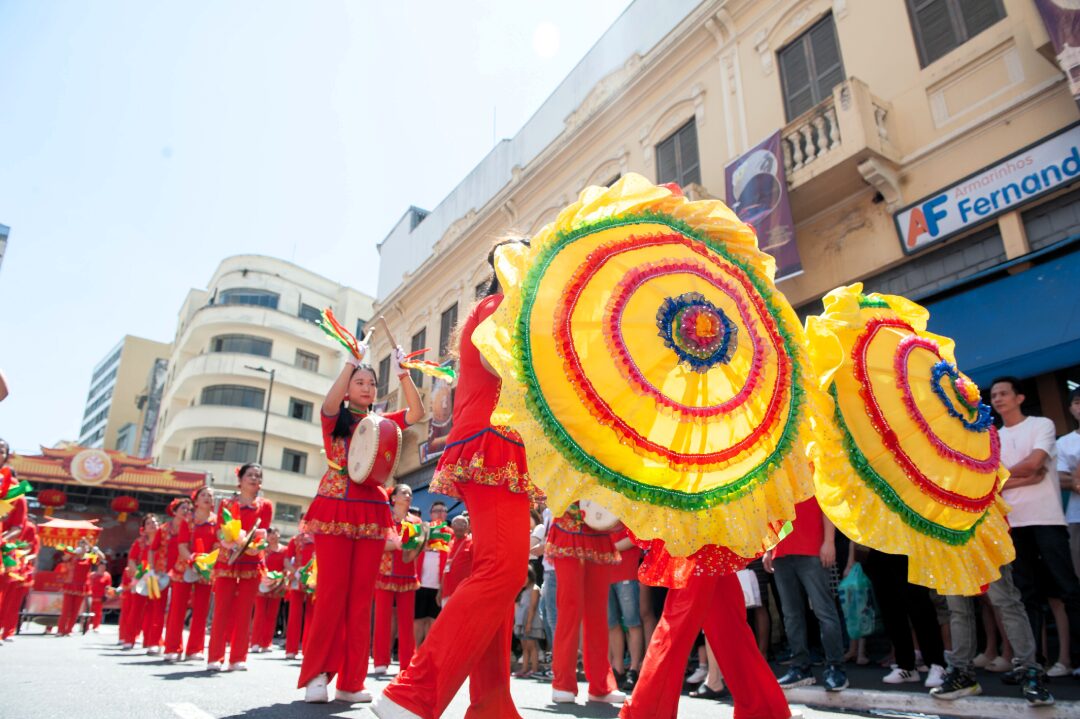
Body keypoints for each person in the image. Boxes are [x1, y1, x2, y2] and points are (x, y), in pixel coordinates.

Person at [375, 239, 542, 719]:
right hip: (492, 443)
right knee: (504, 571)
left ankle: (491, 706)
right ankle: (413, 693)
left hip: (497, 444)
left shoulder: (500, 309)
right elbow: (499, 362)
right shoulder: (499, 308)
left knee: (496, 572)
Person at [297, 346, 424, 705]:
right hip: (335, 507)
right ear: (348, 386)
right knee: (331, 595)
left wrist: (403, 373)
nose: (366, 388)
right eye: (359, 382)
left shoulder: (383, 423)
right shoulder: (334, 419)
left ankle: (351, 682)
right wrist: (350, 363)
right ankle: (317, 675)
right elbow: (328, 402)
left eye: (371, 383)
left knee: (360, 599)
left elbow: (416, 412)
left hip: (370, 509)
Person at [620, 541, 793, 719]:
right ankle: (646, 713)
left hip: (710, 539)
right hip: (700, 538)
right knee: (678, 626)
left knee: (729, 626)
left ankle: (762, 708)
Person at [993, 377, 1080, 670]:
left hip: (1048, 519)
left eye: (1004, 393)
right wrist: (1023, 477)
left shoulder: (1042, 425)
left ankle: (1073, 660)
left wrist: (1009, 477)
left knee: (1067, 589)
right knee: (1025, 593)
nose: (998, 399)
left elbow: (1034, 464)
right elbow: (992, 482)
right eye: (994, 395)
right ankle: (1033, 663)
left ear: (1019, 397)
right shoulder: (993, 437)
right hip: (1013, 524)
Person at [765, 497, 848, 692]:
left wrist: (829, 541)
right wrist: (768, 548)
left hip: (812, 547)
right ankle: (800, 667)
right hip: (782, 551)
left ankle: (836, 667)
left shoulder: (812, 466)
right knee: (791, 615)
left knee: (824, 612)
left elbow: (827, 504)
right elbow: (769, 510)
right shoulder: (774, 470)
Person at [206, 463, 273, 672]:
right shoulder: (226, 503)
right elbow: (219, 531)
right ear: (241, 479)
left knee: (245, 611)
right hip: (229, 559)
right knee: (222, 609)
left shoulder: (266, 505)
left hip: (252, 560)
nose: (254, 478)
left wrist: (254, 545)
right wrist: (234, 542)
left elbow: (263, 532)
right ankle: (215, 657)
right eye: (250, 475)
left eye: (258, 476)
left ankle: (237, 657)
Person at [862, 548, 947, 687]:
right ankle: (905, 666)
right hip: (880, 545)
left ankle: (937, 664)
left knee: (920, 607)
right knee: (890, 609)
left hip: (909, 547)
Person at [373, 485, 424, 675]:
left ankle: (406, 663)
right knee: (382, 619)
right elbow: (379, 545)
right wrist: (399, 544)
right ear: (393, 498)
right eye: (404, 492)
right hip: (385, 572)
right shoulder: (384, 519)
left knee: (406, 621)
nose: (409, 496)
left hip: (408, 573)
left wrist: (419, 544)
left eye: (410, 493)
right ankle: (380, 660)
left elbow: (416, 549)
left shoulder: (416, 521)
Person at [170, 486, 218, 661]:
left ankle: (195, 649)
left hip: (206, 569)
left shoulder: (217, 521)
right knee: (178, 608)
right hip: (185, 567)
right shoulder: (187, 519)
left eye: (210, 496)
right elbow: (182, 544)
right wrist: (192, 559)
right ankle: (173, 647)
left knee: (201, 610)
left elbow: (218, 544)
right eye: (203, 495)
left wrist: (207, 562)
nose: (207, 498)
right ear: (196, 501)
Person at [146, 497, 192, 655]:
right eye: (183, 508)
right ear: (174, 511)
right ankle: (154, 641)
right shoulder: (164, 529)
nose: (186, 511)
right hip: (162, 573)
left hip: (182, 572)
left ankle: (174, 644)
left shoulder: (191, 528)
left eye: (188, 508)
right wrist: (151, 569)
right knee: (158, 609)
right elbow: (152, 549)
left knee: (176, 611)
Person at [608, 524, 644, 692]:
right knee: (612, 624)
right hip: (606, 573)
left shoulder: (631, 506)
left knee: (632, 623)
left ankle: (634, 669)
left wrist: (606, 548)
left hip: (627, 572)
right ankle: (618, 668)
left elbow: (636, 536)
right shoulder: (602, 508)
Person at [414, 501, 449, 647]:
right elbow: (412, 553)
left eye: (443, 511)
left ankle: (427, 652)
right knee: (418, 619)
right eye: (436, 511)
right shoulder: (423, 530)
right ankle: (415, 650)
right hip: (420, 583)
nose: (440, 513)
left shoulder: (450, 534)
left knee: (433, 621)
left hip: (439, 586)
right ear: (430, 514)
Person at [122, 514, 159, 650]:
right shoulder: (139, 542)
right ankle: (129, 639)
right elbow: (131, 559)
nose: (153, 524)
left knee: (154, 610)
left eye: (154, 522)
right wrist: (136, 575)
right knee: (136, 610)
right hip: (141, 577)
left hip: (157, 578)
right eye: (149, 523)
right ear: (144, 528)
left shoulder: (163, 541)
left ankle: (150, 641)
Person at [251, 527, 286, 654]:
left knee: (272, 615)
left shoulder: (284, 550)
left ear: (279, 536)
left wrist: (279, 579)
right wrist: (264, 578)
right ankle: (255, 642)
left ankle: (266, 643)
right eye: (270, 534)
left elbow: (286, 567)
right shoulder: (263, 550)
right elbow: (259, 564)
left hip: (277, 585)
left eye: (275, 534)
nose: (272, 536)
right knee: (259, 613)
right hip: (262, 584)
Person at [1058, 388, 1080, 582]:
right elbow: (1059, 478)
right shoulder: (1064, 443)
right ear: (1071, 409)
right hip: (1076, 516)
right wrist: (1075, 481)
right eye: (1077, 403)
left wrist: (1074, 478)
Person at [284, 522, 315, 660]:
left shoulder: (319, 539)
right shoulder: (295, 540)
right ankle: (291, 649)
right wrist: (295, 572)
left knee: (312, 615)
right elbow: (286, 560)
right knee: (294, 614)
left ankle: (308, 649)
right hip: (297, 577)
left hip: (314, 580)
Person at [57, 539, 101, 636]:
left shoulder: (90, 557)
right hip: (70, 584)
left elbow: (102, 558)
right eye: (81, 544)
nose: (83, 547)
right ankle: (60, 630)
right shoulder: (73, 555)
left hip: (82, 586)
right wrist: (73, 552)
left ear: (87, 548)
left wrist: (93, 548)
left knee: (75, 610)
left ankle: (69, 630)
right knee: (66, 609)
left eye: (84, 545)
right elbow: (64, 558)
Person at [513, 566, 543, 678]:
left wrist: (529, 623)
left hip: (531, 622)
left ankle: (534, 669)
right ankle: (524, 668)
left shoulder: (535, 589)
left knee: (532, 646)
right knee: (525, 646)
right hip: (522, 622)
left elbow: (533, 607)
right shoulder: (523, 591)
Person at [440, 514, 472, 607]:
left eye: (463, 524)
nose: (460, 527)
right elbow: (445, 570)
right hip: (446, 592)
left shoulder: (471, 543)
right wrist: (440, 590)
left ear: (467, 527)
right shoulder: (450, 543)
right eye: (457, 524)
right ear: (452, 527)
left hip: (463, 592)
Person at [88, 561, 112, 632]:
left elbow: (108, 586)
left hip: (100, 596)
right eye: (101, 566)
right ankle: (86, 625)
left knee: (98, 612)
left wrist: (107, 595)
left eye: (104, 566)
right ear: (98, 567)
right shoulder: (92, 575)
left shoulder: (107, 575)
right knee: (89, 611)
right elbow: (88, 584)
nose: (102, 568)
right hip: (91, 596)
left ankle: (96, 626)